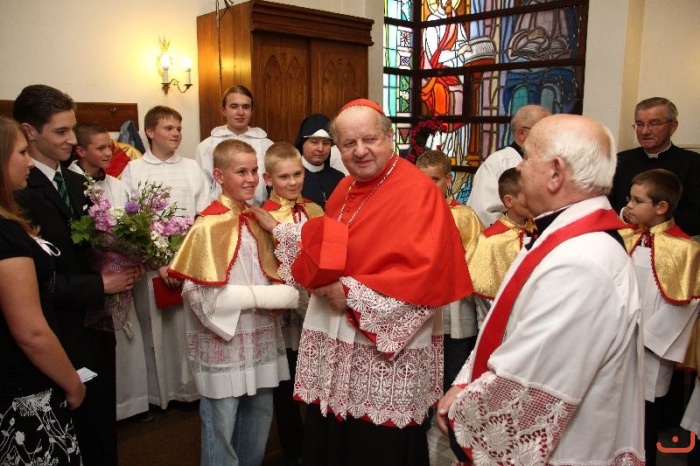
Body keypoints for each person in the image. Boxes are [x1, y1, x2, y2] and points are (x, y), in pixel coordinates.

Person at [253, 98, 472, 466]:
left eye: (369, 139)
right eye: (349, 144)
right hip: (339, 340)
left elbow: (428, 276)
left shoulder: (416, 190)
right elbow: (328, 243)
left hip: (382, 355)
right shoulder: (345, 189)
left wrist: (350, 294)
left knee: (376, 448)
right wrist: (284, 235)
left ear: (390, 137)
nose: (360, 151)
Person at [438, 114, 645, 464]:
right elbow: (506, 329)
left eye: (527, 158)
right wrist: (463, 383)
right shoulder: (559, 235)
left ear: (555, 173)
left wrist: (464, 411)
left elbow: (533, 374)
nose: (518, 169)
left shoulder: (582, 260)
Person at [13, 84, 137, 466]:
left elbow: (93, 248)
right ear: (30, 132)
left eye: (72, 128)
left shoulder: (78, 183)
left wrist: (127, 256)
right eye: (61, 131)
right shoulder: (18, 193)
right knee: (67, 433)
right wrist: (100, 284)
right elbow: (34, 280)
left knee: (101, 427)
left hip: (95, 325)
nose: (72, 139)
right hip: (57, 329)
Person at [168, 139, 295, 466]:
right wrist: (262, 297)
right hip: (224, 340)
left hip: (261, 334)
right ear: (219, 175)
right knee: (221, 422)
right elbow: (197, 293)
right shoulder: (207, 224)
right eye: (241, 172)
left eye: (254, 170)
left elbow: (277, 269)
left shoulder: (259, 219)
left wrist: (277, 291)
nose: (251, 179)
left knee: (259, 416)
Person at [0, 116, 85, 465]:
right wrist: (72, 382)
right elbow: (31, 332)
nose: (30, 162)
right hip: (21, 387)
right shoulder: (5, 234)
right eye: (22, 152)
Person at [121, 105, 207, 409]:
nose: (176, 134)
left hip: (187, 261)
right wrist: (160, 262)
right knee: (155, 329)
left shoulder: (192, 167)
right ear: (150, 131)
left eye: (178, 128)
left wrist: (183, 260)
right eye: (168, 128)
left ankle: (190, 391)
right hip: (152, 265)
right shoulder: (133, 170)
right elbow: (131, 221)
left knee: (189, 328)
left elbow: (202, 215)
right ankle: (161, 394)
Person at [68, 123, 149, 421]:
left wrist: (137, 258)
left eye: (109, 147)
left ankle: (131, 403)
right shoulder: (72, 183)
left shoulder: (116, 184)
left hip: (122, 274)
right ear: (80, 150)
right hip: (95, 279)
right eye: (100, 148)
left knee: (128, 340)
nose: (107, 153)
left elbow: (134, 225)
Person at [618, 168, 700, 466]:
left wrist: (644, 338)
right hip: (617, 342)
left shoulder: (685, 249)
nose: (629, 206)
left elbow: (685, 304)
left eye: (637, 201)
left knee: (645, 422)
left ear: (661, 207)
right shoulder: (625, 237)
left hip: (650, 350)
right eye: (629, 198)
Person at [262, 142, 324, 466]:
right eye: (283, 176)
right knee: (285, 382)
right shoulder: (264, 215)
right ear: (269, 179)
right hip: (284, 310)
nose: (292, 182)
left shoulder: (315, 209)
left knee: (317, 375)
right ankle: (293, 447)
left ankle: (317, 442)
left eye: (297, 174)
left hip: (315, 304)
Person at [416, 149, 482, 392]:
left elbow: (477, 263)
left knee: (453, 374)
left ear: (448, 180)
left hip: (455, 308)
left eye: (434, 179)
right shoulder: (408, 214)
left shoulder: (464, 216)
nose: (427, 186)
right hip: (419, 305)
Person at [610, 97, 700, 236]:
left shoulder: (694, 163)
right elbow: (607, 205)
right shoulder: (620, 160)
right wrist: (624, 214)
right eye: (639, 124)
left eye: (654, 124)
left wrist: (651, 218)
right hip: (624, 239)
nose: (645, 131)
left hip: (674, 242)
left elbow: (696, 216)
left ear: (673, 126)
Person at [467, 167, 534, 327]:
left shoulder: (541, 231)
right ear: (509, 201)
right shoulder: (489, 241)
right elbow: (484, 298)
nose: (536, 199)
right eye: (528, 195)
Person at [467, 104, 550, 226]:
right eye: (544, 130)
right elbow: (483, 213)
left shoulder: (550, 162)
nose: (550, 136)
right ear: (522, 133)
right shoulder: (498, 163)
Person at [195, 85, 274, 205]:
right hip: (220, 211)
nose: (240, 112)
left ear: (252, 110)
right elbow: (203, 188)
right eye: (234, 106)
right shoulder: (207, 146)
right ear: (223, 110)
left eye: (246, 107)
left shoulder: (267, 145)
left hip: (259, 210)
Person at [294, 114, 345, 209]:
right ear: (302, 143)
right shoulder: (289, 178)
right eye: (314, 142)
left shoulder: (339, 179)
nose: (320, 148)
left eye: (326, 143)